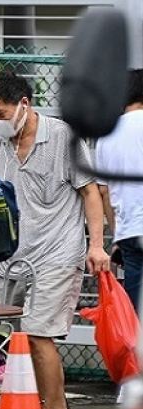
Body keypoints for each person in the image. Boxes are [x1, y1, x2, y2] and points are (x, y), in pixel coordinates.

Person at [0, 71, 111, 409]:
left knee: (39, 335)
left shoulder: (63, 137)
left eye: (0, 112)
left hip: (57, 252)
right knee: (10, 337)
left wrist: (95, 246)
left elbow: (90, 193)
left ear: (24, 104)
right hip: (10, 258)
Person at [97, 69, 143, 312]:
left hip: (129, 235)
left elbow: (104, 192)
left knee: (136, 316)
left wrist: (117, 235)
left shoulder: (106, 134)